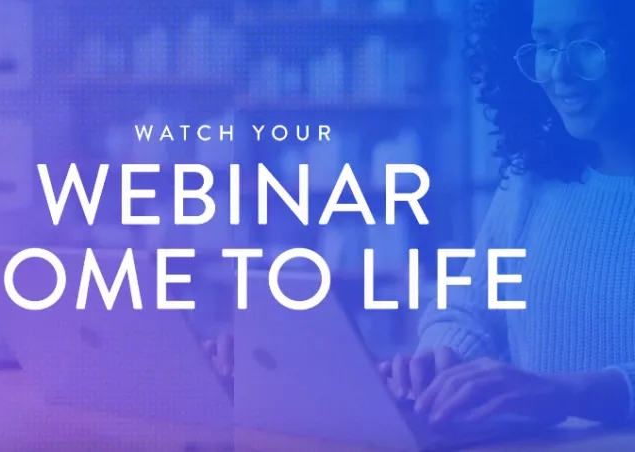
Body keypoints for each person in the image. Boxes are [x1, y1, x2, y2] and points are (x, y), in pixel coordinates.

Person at [209, 0, 635, 427]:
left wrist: (577, 393)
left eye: (589, 42)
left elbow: (566, 391)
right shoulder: (533, 182)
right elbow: (468, 311)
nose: (559, 72)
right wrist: (439, 363)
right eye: (546, 45)